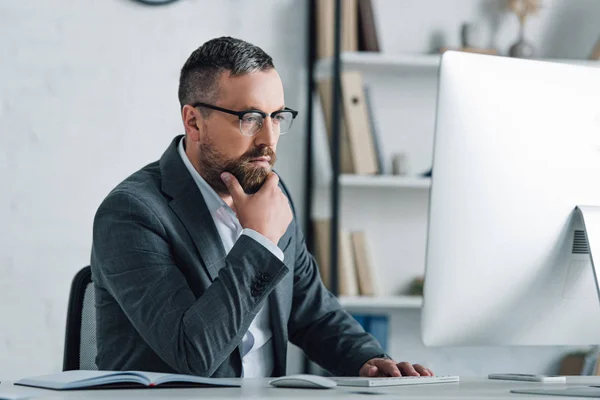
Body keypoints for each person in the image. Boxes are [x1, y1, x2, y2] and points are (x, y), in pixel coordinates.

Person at [91, 36, 433, 379]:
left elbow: (313, 313)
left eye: (277, 117)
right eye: (251, 118)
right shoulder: (131, 213)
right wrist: (259, 241)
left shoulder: (271, 191)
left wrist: (372, 362)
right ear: (194, 122)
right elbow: (192, 354)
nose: (268, 139)